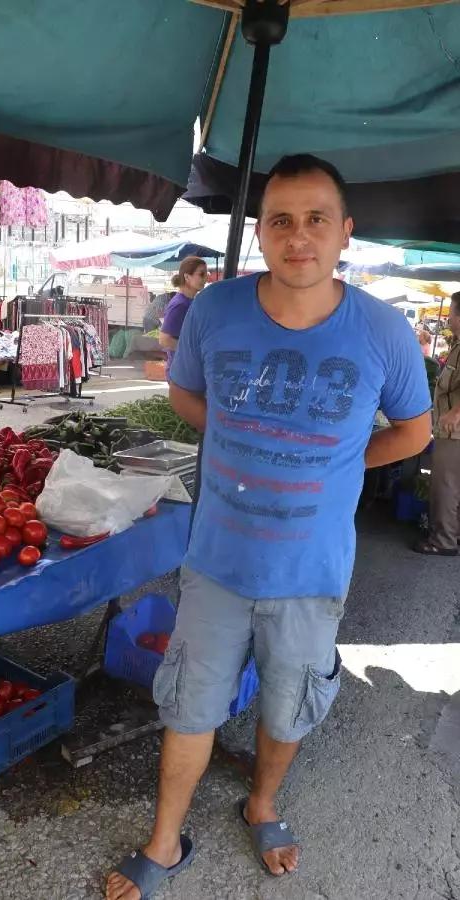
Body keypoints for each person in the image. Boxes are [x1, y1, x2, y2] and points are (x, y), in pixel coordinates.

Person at [106, 154, 432, 900]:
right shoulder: (216, 309)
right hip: (217, 561)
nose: (299, 236)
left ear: (345, 232)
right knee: (191, 700)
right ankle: (164, 841)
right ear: (259, 233)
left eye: (317, 218)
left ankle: (262, 804)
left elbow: (414, 433)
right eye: (281, 220)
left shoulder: (383, 331)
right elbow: (188, 395)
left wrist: (341, 468)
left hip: (311, 571)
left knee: (290, 703)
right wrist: (238, 437)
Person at [414, 291, 460, 555]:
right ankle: (453, 533)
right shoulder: (457, 345)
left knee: (446, 485)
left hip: (454, 431)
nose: (449, 318)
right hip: (453, 429)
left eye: (453, 312)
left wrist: (455, 413)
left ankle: (442, 541)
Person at [158, 257, 208, 381]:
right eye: (201, 274)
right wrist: (192, 350)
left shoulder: (191, 301)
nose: (205, 278)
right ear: (187, 277)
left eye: (206, 274)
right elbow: (164, 339)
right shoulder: (180, 305)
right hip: (181, 371)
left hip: (189, 369)